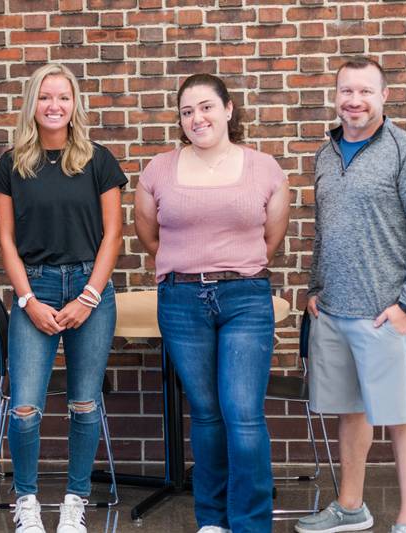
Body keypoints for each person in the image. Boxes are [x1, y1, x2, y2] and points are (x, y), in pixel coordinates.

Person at [135, 73, 290, 533]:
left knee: (242, 414)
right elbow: (149, 233)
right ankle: (212, 520)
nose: (197, 118)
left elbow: (271, 236)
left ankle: (250, 523)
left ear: (228, 109)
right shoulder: (159, 169)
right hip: (181, 298)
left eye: (205, 107)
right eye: (187, 111)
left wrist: (230, 264)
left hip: (245, 296)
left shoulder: (264, 168)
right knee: (204, 415)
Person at [294, 57, 406, 533]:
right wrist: (315, 287)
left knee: (401, 415)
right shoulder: (326, 153)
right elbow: (324, 230)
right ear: (335, 96)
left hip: (384, 312)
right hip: (334, 310)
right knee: (351, 412)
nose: (353, 100)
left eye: (364, 91)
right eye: (345, 91)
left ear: (384, 97)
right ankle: (351, 507)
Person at [0, 63, 126, 533]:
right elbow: (5, 241)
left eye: (62, 97)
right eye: (45, 96)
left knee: (84, 402)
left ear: (74, 104)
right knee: (25, 406)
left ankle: (75, 501)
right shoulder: (12, 164)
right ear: (33, 103)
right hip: (35, 289)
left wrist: (89, 296)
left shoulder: (97, 159)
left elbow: (113, 235)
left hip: (90, 290)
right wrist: (27, 300)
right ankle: (26, 501)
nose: (54, 105)